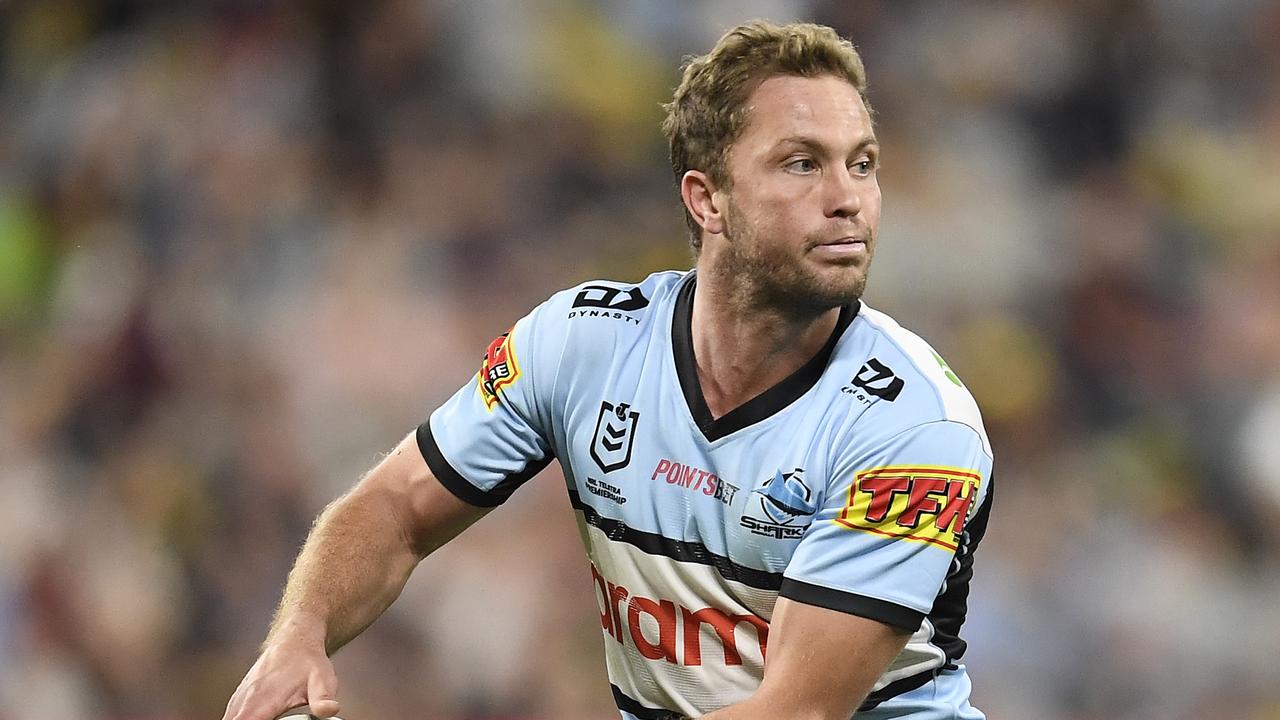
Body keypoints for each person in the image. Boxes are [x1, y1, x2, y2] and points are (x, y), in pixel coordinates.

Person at [223, 20, 993, 720]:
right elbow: (396, 508)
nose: (848, 199)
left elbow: (796, 714)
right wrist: (302, 630)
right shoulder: (583, 344)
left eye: (862, 164)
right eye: (801, 164)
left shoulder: (914, 426)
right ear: (708, 199)